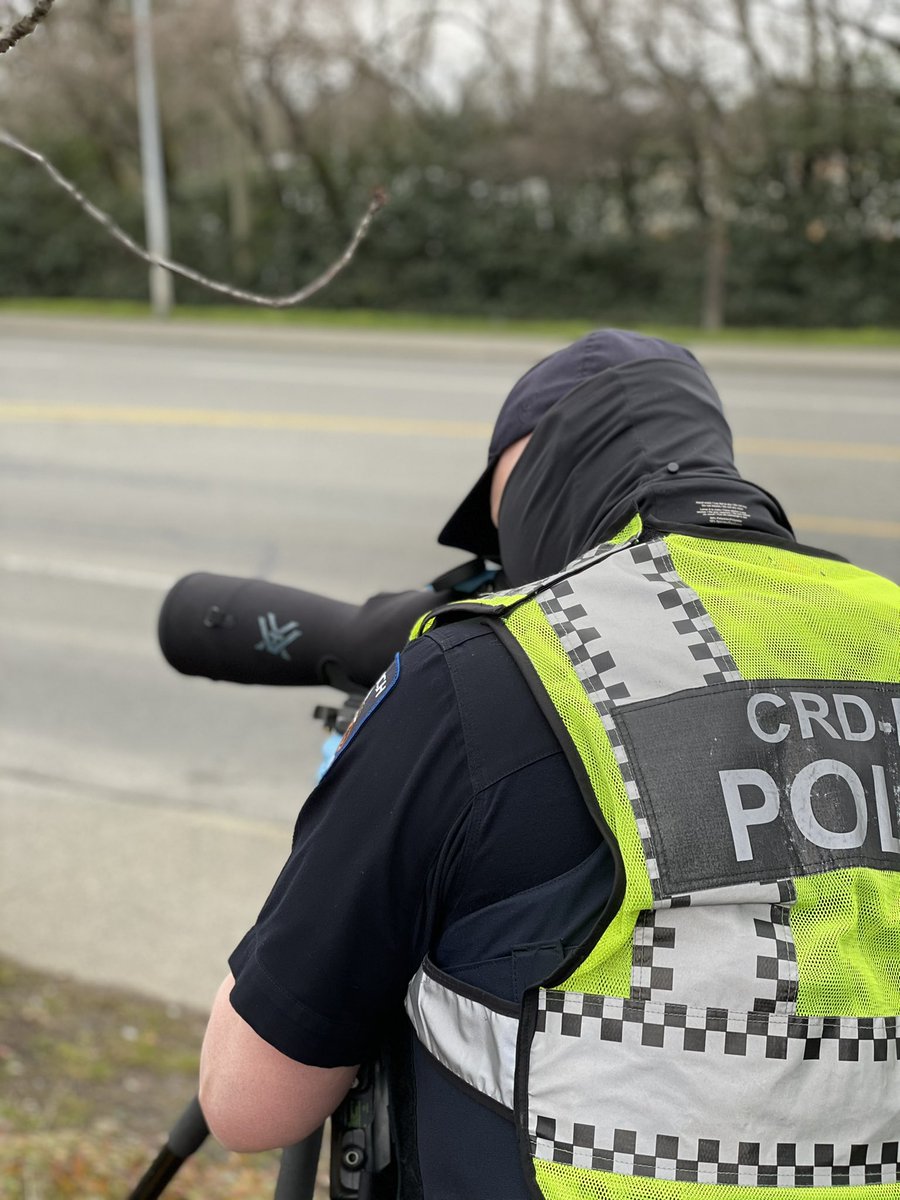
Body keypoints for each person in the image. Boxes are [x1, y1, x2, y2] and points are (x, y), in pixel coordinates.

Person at [199, 330, 900, 1199]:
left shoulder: (495, 666)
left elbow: (247, 1104)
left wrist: (349, 814)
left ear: (538, 465)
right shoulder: (884, 631)